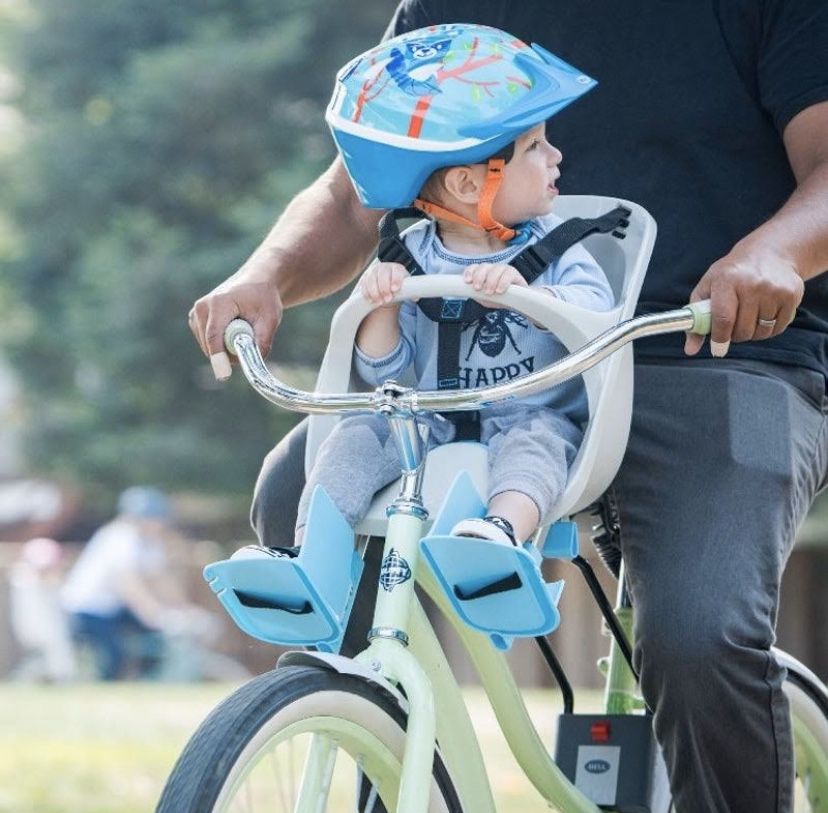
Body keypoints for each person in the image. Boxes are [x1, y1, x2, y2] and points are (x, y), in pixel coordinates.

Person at [189, 2, 828, 811]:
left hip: (708, 350)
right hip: (471, 367)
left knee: (698, 636)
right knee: (297, 499)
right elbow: (363, 188)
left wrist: (777, 251)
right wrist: (265, 274)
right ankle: (384, 746)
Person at [233, 27, 613, 559]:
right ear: (466, 185)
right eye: (534, 147)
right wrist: (381, 306)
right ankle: (310, 555)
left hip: (527, 413)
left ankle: (500, 536)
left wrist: (532, 297)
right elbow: (386, 374)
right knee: (359, 433)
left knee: (539, 446)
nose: (556, 156)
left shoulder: (557, 247)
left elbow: (599, 321)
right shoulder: (412, 254)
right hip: (428, 416)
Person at [61, 487, 206, 680]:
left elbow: (160, 579)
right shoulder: (120, 537)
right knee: (115, 655)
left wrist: (185, 608)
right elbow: (129, 585)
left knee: (158, 641)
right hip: (88, 607)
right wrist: (154, 613)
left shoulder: (149, 541)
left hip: (113, 607)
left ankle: (146, 682)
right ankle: (103, 693)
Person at [8, 537, 77, 682]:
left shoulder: (26, 580)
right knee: (53, 660)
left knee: (52, 661)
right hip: (40, 632)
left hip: (45, 634)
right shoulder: (25, 580)